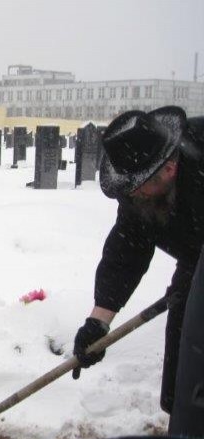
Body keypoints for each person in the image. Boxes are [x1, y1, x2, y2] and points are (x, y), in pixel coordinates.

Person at [71, 106, 204, 418]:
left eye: (137, 186)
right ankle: (183, 431)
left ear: (169, 170)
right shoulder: (139, 195)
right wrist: (97, 323)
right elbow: (125, 252)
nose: (131, 194)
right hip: (194, 262)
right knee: (183, 366)